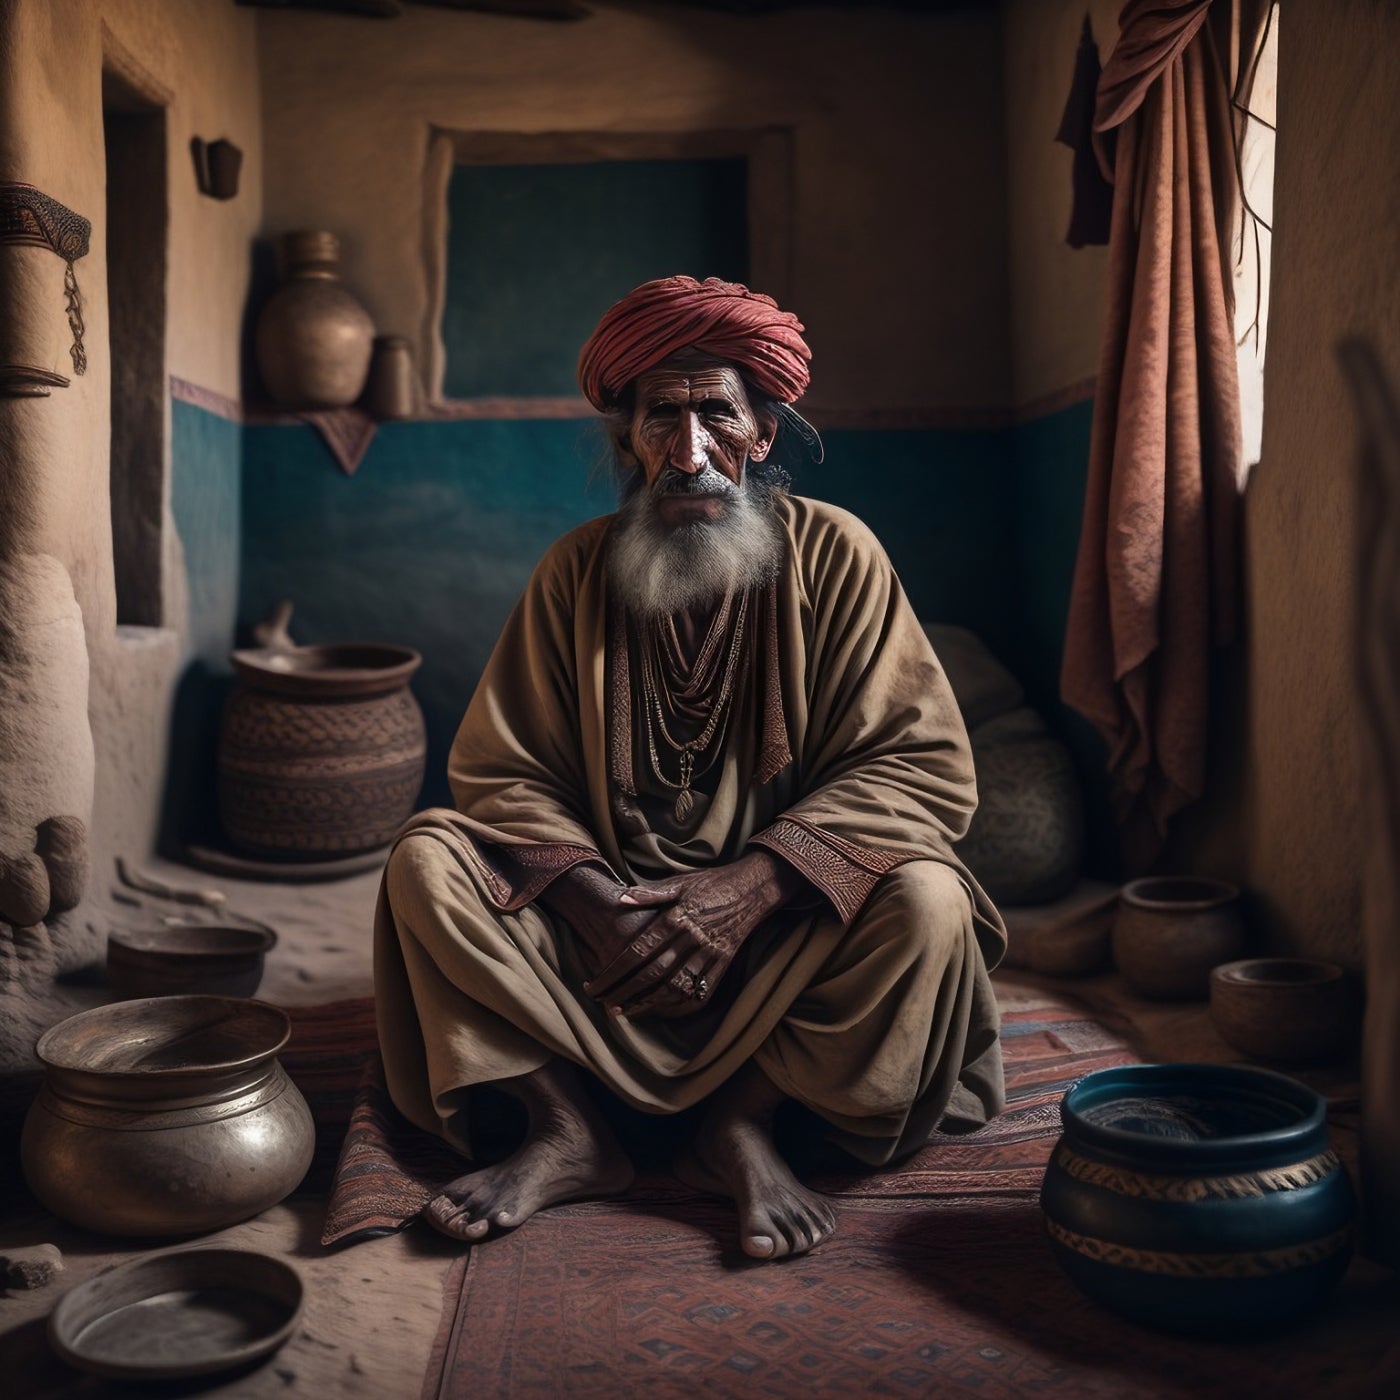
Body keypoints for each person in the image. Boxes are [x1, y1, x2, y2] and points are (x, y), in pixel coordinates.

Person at [374, 275, 1006, 1261]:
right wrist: (590, 901)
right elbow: (502, 768)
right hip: (608, 940)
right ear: (626, 436)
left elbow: (915, 763)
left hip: (781, 923)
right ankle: (565, 1124)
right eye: (661, 415)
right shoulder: (573, 572)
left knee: (927, 901)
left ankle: (743, 1120)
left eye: (716, 412)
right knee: (427, 858)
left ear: (760, 433)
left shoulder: (837, 554)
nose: (690, 445)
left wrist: (748, 888)